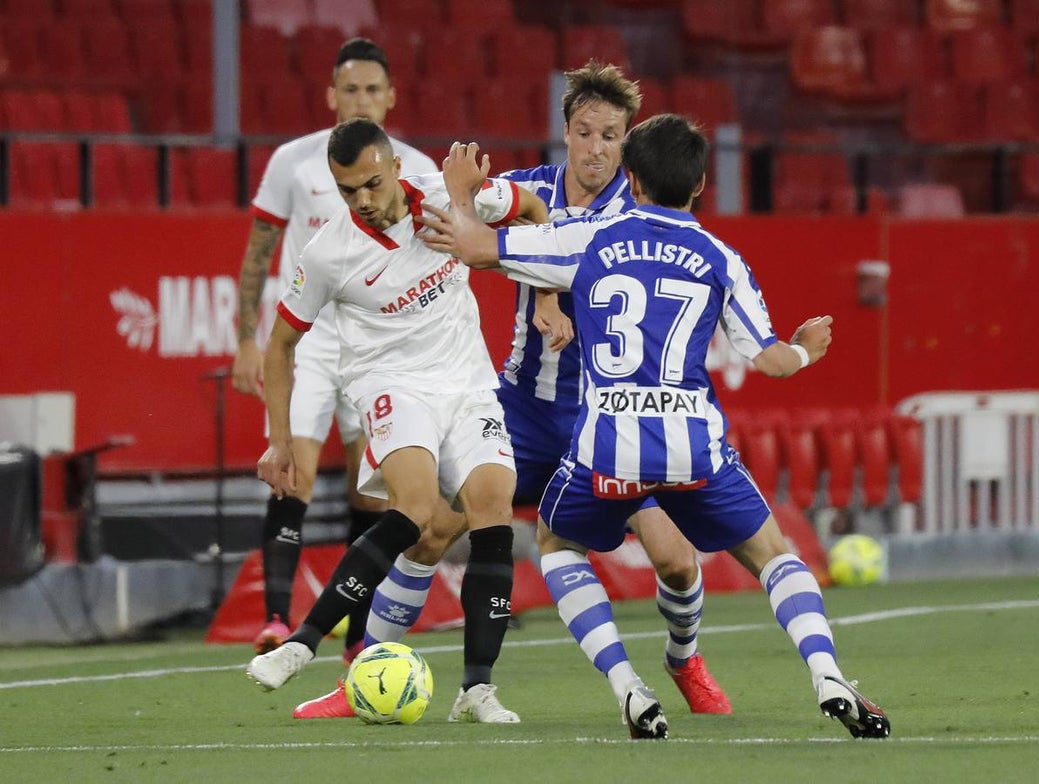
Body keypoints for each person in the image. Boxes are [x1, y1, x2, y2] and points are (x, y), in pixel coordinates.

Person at [416, 119, 892, 740]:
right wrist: (805, 350)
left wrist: (460, 193)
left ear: (631, 178)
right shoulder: (721, 258)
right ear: (698, 185)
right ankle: (827, 672)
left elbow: (476, 246)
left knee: (559, 545)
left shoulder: (589, 237)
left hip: (608, 442)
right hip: (693, 445)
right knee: (775, 555)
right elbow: (772, 362)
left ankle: (626, 685)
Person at [290, 61, 730, 721]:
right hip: (520, 409)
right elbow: (474, 228)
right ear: (566, 133)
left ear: (628, 142)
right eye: (585, 132)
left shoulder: (644, 214)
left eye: (611, 136)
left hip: (605, 418)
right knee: (431, 531)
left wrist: (567, 307)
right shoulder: (529, 186)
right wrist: (470, 210)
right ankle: (359, 683)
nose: (596, 149)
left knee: (672, 559)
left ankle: (684, 658)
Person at [245, 118, 551, 725]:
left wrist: (544, 294)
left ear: (392, 167)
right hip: (393, 384)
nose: (363, 200)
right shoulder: (329, 253)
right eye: (348, 190)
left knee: (492, 506)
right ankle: (302, 644)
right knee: (413, 509)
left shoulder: (445, 195)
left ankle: (476, 691)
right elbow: (280, 346)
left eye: (372, 184)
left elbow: (536, 208)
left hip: (467, 381)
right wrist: (280, 440)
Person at [232, 38, 437, 662]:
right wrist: (245, 337)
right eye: (350, 90)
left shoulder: (416, 168)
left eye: (372, 90)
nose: (361, 100)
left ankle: (355, 634)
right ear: (331, 95)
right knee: (290, 468)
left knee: (369, 493)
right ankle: (274, 618)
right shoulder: (294, 164)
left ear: (391, 96)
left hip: (376, 346)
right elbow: (259, 252)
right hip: (313, 343)